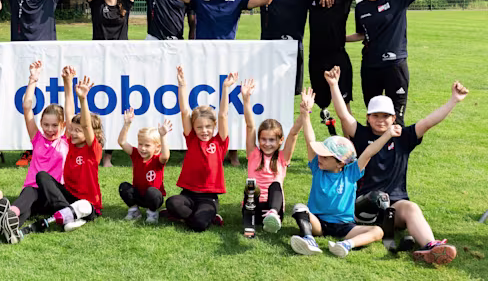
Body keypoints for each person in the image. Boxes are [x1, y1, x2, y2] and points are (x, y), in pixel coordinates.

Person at [326, 66, 467, 264]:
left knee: (411, 208)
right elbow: (343, 115)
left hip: (394, 206)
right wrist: (334, 85)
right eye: (375, 115)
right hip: (361, 205)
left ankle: (430, 247)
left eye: (385, 116)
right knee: (375, 199)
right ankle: (384, 232)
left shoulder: (403, 137)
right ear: (368, 117)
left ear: (394, 118)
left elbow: (428, 122)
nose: (380, 120)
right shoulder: (360, 134)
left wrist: (453, 100)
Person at [167, 0, 278, 166]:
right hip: (201, 59)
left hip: (229, 60)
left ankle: (233, 152)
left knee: (229, 106)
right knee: (202, 103)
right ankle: (196, 146)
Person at [348, 0, 452, 126]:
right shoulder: (361, 7)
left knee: (396, 117)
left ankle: (396, 155)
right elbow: (363, 34)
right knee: (373, 116)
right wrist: (341, 38)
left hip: (395, 66)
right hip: (370, 67)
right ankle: (373, 155)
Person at [290, 88, 393, 258]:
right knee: (300, 209)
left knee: (377, 231)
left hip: (345, 227)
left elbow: (369, 152)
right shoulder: (317, 167)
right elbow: (310, 140)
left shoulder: (351, 173)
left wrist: (388, 134)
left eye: (325, 156)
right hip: (319, 224)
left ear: (340, 163)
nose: (320, 157)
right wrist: (305, 113)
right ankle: (309, 239)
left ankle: (345, 245)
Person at [77, 0, 141, 167]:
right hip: (98, 61)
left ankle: (110, 155)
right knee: (99, 106)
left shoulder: (126, 1)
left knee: (118, 106)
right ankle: (101, 151)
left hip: (122, 62)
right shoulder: (95, 3)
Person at [0, 63, 74, 244]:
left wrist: (67, 83)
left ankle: (6, 217)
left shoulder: (65, 141)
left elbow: (70, 114)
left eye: (55, 125)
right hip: (32, 194)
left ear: (62, 126)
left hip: (52, 196)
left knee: (40, 181)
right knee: (29, 197)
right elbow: (27, 107)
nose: (50, 129)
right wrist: (33, 80)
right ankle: (9, 221)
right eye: (46, 124)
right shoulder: (37, 138)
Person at [23, 76, 105, 235]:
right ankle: (67, 213)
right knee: (42, 176)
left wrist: (83, 99)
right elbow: (68, 115)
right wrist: (68, 83)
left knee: (86, 208)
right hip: (69, 198)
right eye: (71, 129)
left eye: (77, 131)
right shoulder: (70, 144)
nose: (72, 133)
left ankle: (75, 215)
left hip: (88, 204)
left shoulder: (93, 150)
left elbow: (86, 125)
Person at [164, 66, 231, 232]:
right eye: (199, 127)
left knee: (199, 225)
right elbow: (184, 111)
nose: (204, 131)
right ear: (193, 128)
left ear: (214, 126)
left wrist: (225, 88)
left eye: (208, 126)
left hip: (208, 198)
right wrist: (182, 85)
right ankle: (184, 214)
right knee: (172, 202)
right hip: (188, 194)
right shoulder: (192, 139)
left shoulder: (220, 141)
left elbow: (223, 115)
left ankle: (206, 216)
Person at [309, 0, 356, 135]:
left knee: (344, 106)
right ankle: (334, 140)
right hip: (315, 59)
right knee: (322, 105)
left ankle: (351, 150)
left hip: (337, 57)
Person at [240, 78, 302, 236]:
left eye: (272, 140)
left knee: (275, 185)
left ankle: (273, 216)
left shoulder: (283, 157)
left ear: (280, 141)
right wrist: (246, 99)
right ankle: (249, 227)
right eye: (263, 139)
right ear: (258, 140)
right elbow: (250, 126)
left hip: (274, 209)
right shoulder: (253, 153)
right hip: (252, 208)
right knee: (251, 186)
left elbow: (294, 133)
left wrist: (304, 113)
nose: (267, 143)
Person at [117, 109, 171, 224]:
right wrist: (127, 124)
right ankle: (134, 211)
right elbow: (122, 142)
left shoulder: (158, 159)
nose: (143, 148)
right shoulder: (136, 154)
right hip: (139, 196)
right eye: (140, 144)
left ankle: (152, 213)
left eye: (147, 145)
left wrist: (163, 136)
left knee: (153, 192)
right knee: (124, 187)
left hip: (153, 198)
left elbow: (166, 156)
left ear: (157, 147)